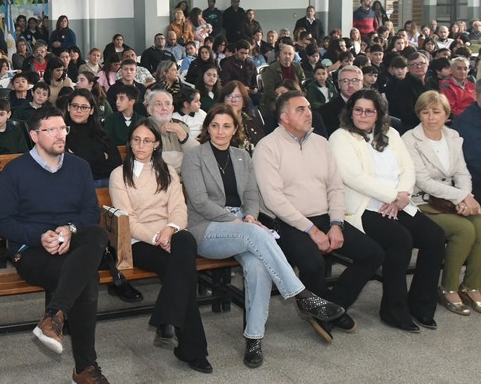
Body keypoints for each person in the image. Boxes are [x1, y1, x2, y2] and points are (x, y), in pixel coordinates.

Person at [183, 107, 344, 368]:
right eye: (215, 126)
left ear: (235, 129)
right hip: (208, 228)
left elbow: (251, 195)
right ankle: (302, 295)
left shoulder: (241, 156)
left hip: (244, 228)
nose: (220, 131)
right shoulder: (194, 157)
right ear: (207, 128)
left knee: (259, 267)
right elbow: (200, 202)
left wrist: (248, 215)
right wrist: (238, 222)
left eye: (226, 126)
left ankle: (254, 339)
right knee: (256, 233)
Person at [254, 91, 385, 342]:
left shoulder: (321, 143)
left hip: (325, 216)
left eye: (308, 107)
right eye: (300, 109)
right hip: (288, 221)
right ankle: (323, 308)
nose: (308, 112)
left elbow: (335, 188)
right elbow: (274, 200)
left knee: (373, 254)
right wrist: (311, 231)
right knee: (313, 263)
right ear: (284, 117)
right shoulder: (267, 147)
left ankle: (330, 307)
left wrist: (336, 224)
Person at [0, 106, 111, 383]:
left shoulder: (79, 166)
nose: (61, 135)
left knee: (96, 234)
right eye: (52, 129)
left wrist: (69, 230)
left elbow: (90, 212)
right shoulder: (15, 170)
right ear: (35, 135)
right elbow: (2, 223)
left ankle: (54, 316)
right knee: (86, 278)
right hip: (32, 252)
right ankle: (85, 367)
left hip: (73, 243)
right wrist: (39, 236)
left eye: (63, 128)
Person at [330, 89, 446, 331]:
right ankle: (393, 310)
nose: (362, 115)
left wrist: (402, 197)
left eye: (369, 111)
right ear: (350, 111)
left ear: (378, 113)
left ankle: (421, 305)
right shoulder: (340, 137)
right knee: (400, 239)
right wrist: (393, 196)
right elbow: (353, 177)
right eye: (358, 109)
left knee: (434, 237)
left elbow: (408, 168)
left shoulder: (391, 133)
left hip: (398, 202)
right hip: (363, 207)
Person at [109, 119, 212, 373]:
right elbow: (127, 219)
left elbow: (178, 208)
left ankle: (167, 321)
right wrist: (156, 238)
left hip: (170, 234)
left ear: (156, 144)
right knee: (182, 270)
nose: (140, 145)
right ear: (129, 142)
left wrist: (169, 230)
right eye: (136, 139)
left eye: (147, 140)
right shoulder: (119, 174)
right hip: (138, 241)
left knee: (185, 241)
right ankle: (191, 349)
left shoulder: (166, 170)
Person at [403, 91, 481, 316]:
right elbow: (423, 182)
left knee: (479, 224)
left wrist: (465, 197)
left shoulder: (453, 136)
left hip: (451, 199)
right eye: (425, 112)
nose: (430, 117)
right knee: (464, 229)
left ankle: (472, 285)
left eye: (436, 112)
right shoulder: (410, 139)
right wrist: (460, 198)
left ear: (446, 114)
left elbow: (462, 173)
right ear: (419, 114)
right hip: (423, 202)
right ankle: (448, 288)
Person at [64, 89, 122, 188]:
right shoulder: (62, 133)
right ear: (69, 107)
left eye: (84, 107)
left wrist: (81, 157)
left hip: (106, 184)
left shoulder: (101, 133)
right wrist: (100, 157)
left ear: (91, 110)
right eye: (75, 106)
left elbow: (116, 163)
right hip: (75, 185)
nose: (79, 110)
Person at [145, 89, 197, 170]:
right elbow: (150, 161)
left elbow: (197, 154)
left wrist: (180, 132)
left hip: (185, 178)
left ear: (172, 108)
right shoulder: (143, 128)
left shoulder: (181, 126)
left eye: (168, 104)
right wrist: (183, 158)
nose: (164, 108)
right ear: (150, 110)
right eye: (158, 104)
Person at [217, 81, 265, 154]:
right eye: (229, 96)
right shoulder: (216, 122)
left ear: (244, 101)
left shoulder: (252, 121)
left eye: (238, 97)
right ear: (223, 100)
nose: (233, 100)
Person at [260, 42, 305, 115]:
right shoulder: (271, 69)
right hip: (275, 99)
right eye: (285, 53)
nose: (287, 56)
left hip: (295, 97)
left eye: (290, 54)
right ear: (280, 55)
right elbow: (269, 90)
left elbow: (303, 84)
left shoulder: (297, 67)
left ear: (293, 56)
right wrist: (284, 99)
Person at [318, 65, 364, 136]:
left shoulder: (372, 107)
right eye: (345, 81)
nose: (350, 85)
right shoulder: (325, 110)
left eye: (355, 80)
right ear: (339, 84)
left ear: (362, 83)